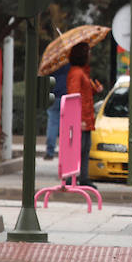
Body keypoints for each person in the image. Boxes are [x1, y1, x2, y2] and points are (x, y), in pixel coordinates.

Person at [67, 42, 103, 186]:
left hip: (86, 119)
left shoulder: (82, 72)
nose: (90, 55)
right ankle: (73, 177)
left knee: (85, 148)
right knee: (79, 148)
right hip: (81, 119)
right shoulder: (77, 73)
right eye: (88, 52)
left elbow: (85, 93)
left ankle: (83, 176)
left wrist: (95, 89)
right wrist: (78, 119)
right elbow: (74, 96)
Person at [44, 65, 68, 159]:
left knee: (52, 123)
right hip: (67, 95)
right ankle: (66, 152)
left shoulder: (52, 63)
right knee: (67, 125)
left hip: (54, 94)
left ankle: (50, 151)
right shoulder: (69, 62)